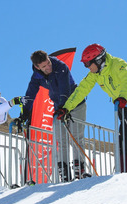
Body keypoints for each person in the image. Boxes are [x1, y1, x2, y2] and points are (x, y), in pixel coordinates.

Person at [60, 43, 127, 172]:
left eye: (87, 64)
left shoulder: (118, 64)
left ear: (98, 60)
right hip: (121, 102)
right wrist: (66, 108)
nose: (86, 67)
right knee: (124, 135)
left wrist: (123, 97)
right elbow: (81, 90)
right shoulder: (95, 74)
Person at [19, 50, 87, 182]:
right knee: (61, 140)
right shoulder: (37, 75)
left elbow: (64, 89)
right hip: (60, 108)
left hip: (75, 104)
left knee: (76, 136)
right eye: (44, 67)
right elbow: (30, 94)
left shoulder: (60, 67)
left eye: (48, 63)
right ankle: (64, 172)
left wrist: (62, 107)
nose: (48, 67)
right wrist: (25, 113)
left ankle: (80, 170)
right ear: (37, 67)